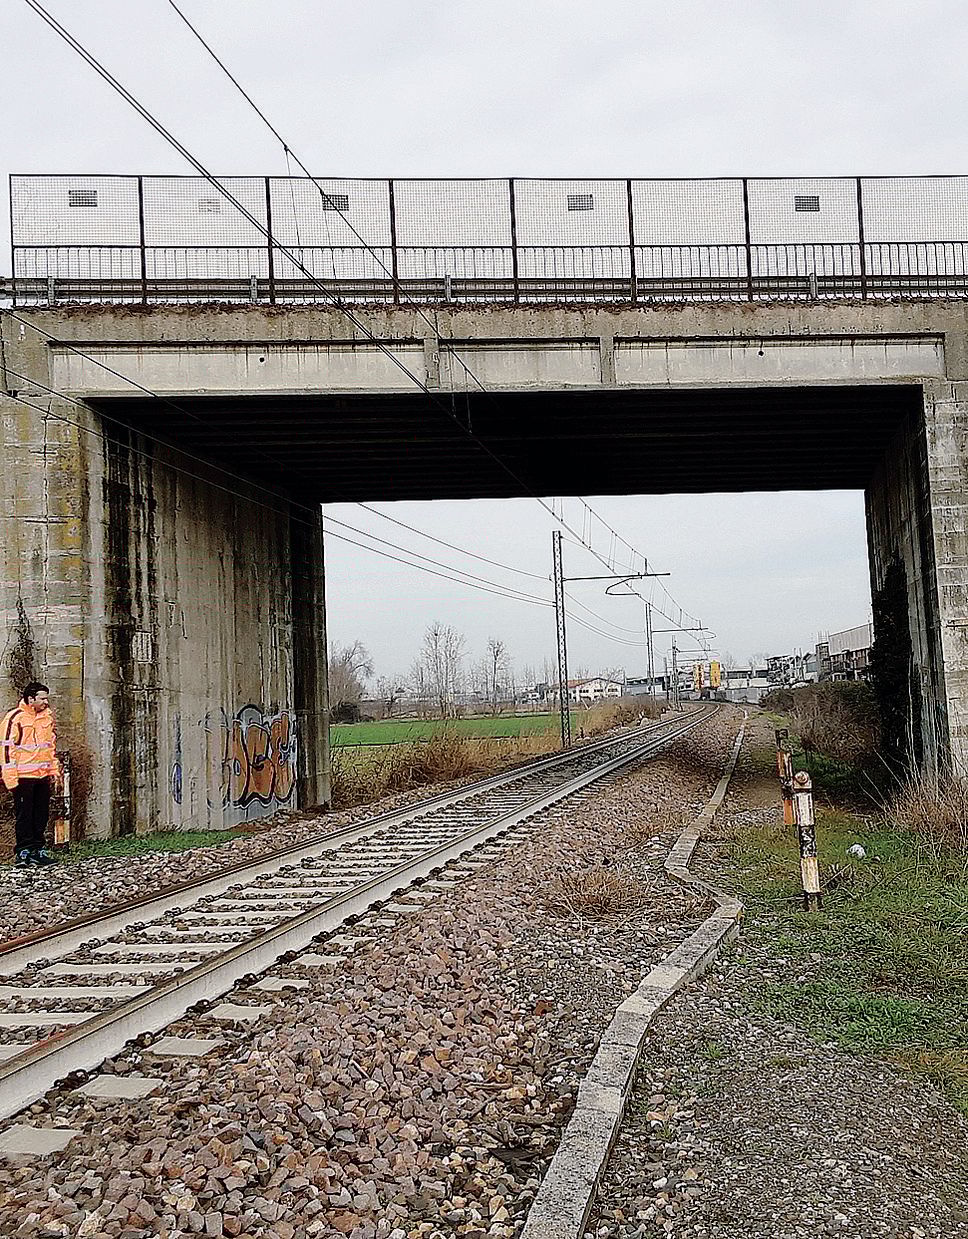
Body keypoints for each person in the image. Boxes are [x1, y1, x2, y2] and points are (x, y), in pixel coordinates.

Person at [1, 682, 59, 867]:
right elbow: (6, 750)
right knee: (24, 815)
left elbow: (50, 747)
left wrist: (53, 771)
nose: (45, 702)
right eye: (42, 698)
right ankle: (23, 852)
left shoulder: (46, 718)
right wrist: (10, 779)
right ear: (30, 698)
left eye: (46, 698)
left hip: (42, 775)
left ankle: (38, 850)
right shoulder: (15, 718)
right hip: (23, 777)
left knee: (41, 815)